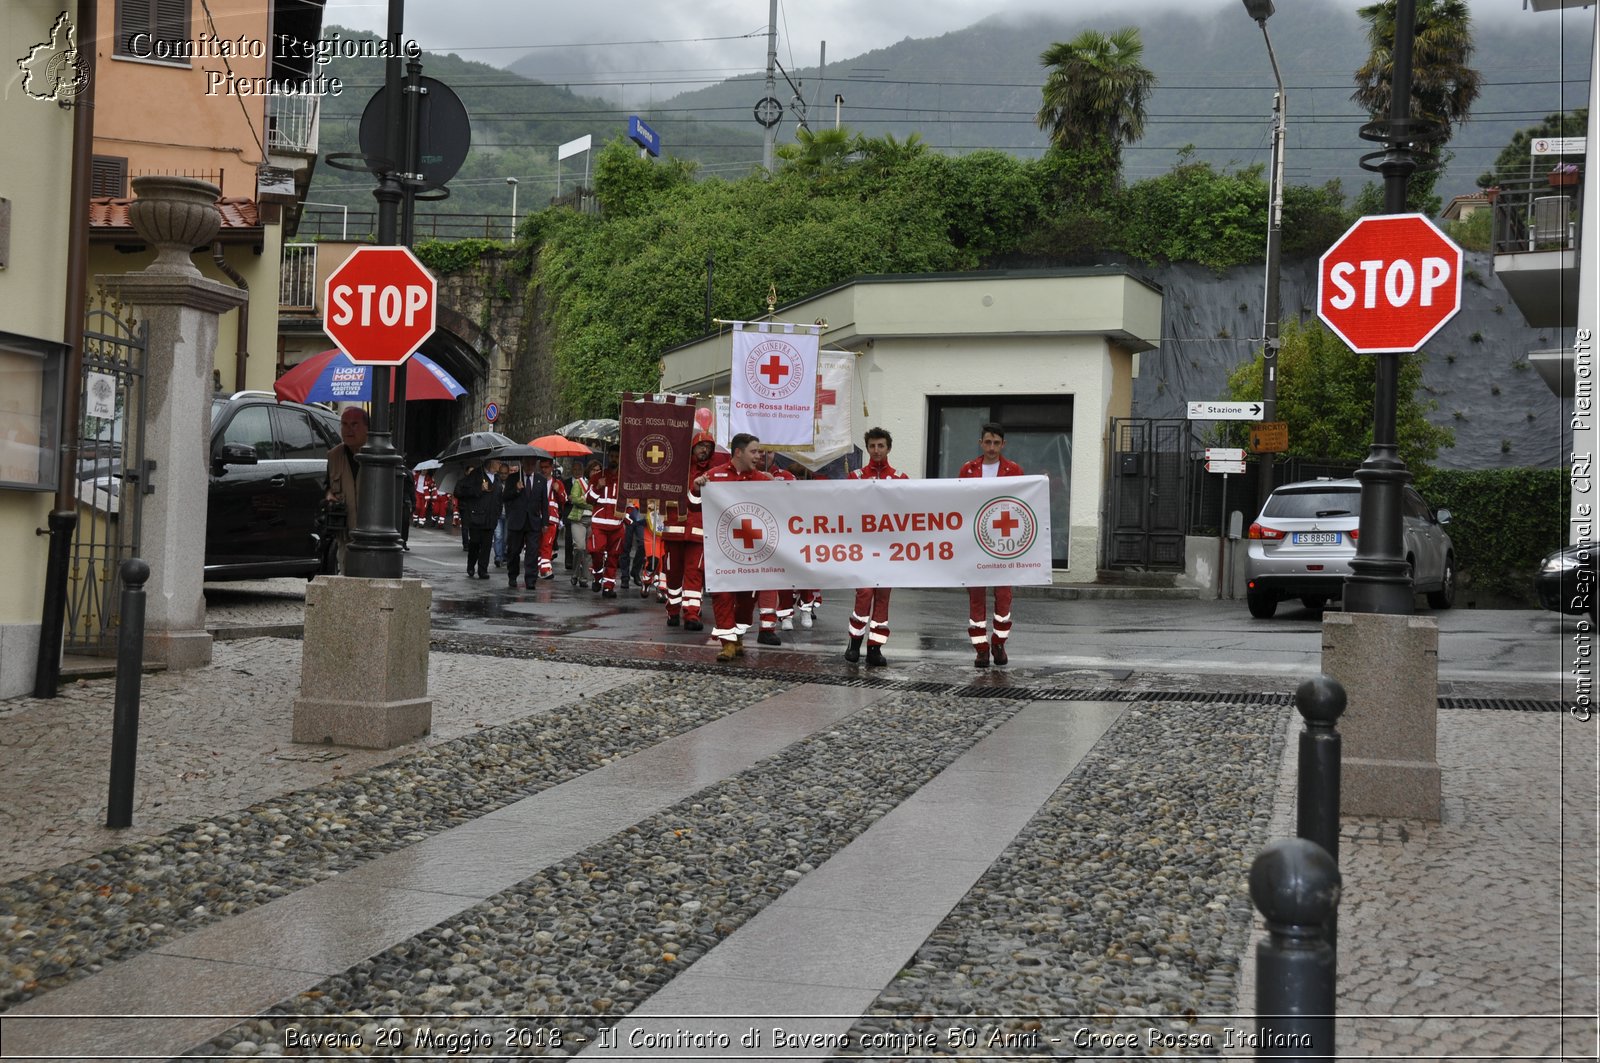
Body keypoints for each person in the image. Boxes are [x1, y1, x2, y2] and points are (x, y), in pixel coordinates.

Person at [958, 422, 1025, 667]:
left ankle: (999, 642)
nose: (992, 447)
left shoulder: (1013, 469)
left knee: (1003, 595)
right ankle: (981, 649)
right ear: (981, 443)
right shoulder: (968, 469)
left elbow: (1021, 503)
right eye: (988, 442)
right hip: (975, 542)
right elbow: (959, 502)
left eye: (996, 443)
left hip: (1003, 541)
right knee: (976, 595)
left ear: (1003, 444)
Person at [705, 433, 771, 661]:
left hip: (753, 553)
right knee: (722, 596)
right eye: (754, 451)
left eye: (759, 451)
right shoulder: (714, 476)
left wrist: (781, 488)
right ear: (738, 453)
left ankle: (738, 636)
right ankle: (728, 644)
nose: (758, 456)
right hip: (722, 550)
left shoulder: (763, 480)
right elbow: (694, 506)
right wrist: (697, 488)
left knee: (746, 600)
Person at [846, 427, 907, 667]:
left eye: (881, 446)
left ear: (888, 448)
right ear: (867, 448)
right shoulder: (856, 477)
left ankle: (875, 647)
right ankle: (854, 643)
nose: (876, 450)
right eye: (872, 446)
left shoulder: (901, 478)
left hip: (888, 549)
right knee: (863, 595)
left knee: (883, 598)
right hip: (862, 547)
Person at [662, 430, 721, 632]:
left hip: (698, 533)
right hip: (674, 530)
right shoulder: (675, 468)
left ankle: (692, 614)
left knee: (694, 574)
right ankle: (672, 611)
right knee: (673, 575)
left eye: (709, 447)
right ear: (692, 447)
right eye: (701, 445)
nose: (705, 450)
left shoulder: (715, 473)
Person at [755, 449, 797, 645]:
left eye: (769, 451)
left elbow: (796, 503)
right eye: (757, 451)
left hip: (775, 536)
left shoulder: (787, 476)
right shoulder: (741, 475)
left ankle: (767, 627)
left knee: (771, 581)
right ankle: (737, 629)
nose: (763, 455)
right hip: (747, 537)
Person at [323, 406, 368, 574]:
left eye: (354, 424)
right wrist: (329, 496)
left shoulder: (378, 453)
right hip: (345, 535)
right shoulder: (334, 456)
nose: (348, 429)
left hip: (372, 536)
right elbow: (327, 486)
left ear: (367, 428)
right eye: (344, 424)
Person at [499, 459, 547, 589]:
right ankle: (512, 575)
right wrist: (516, 489)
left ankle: (531, 579)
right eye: (528, 463)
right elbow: (505, 497)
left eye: (532, 464)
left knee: (532, 551)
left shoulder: (541, 480)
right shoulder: (513, 478)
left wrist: (545, 522)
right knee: (514, 550)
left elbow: (544, 503)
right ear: (522, 464)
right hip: (517, 520)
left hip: (533, 522)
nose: (530, 466)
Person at [454, 459, 502, 579]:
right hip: (476, 516)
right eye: (498, 462)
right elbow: (459, 491)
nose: (500, 465)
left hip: (491, 518)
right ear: (490, 462)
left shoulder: (497, 478)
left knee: (486, 545)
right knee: (475, 543)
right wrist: (479, 489)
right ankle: (471, 565)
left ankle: (482, 570)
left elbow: (499, 498)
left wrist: (497, 513)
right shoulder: (476, 474)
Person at [587, 456, 624, 597]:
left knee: (614, 557)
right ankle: (597, 575)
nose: (614, 456)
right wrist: (597, 487)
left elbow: (630, 501)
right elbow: (588, 499)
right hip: (599, 523)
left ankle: (608, 587)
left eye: (617, 453)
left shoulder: (625, 478)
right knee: (596, 552)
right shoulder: (597, 477)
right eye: (612, 453)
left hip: (617, 524)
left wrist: (627, 519)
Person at [535, 456, 568, 579]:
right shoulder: (537, 480)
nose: (544, 470)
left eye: (546, 467)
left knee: (547, 544)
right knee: (537, 545)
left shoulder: (557, 483)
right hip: (537, 517)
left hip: (551, 518)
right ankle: (541, 567)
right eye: (542, 467)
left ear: (551, 468)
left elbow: (564, 500)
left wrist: (558, 490)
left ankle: (545, 569)